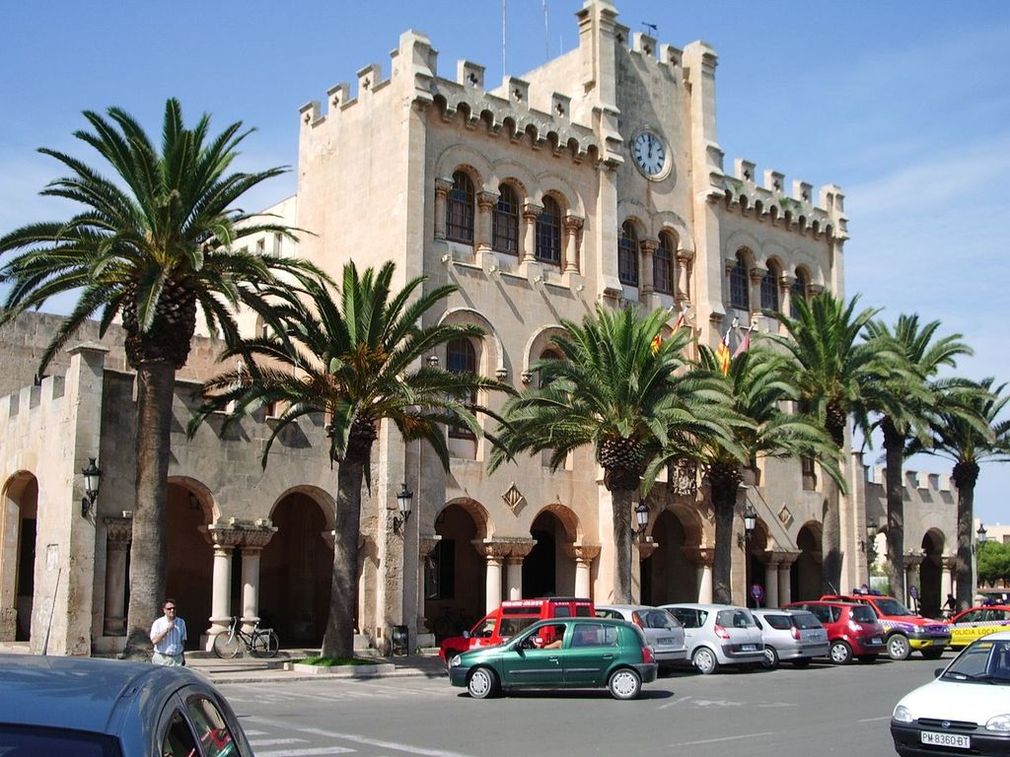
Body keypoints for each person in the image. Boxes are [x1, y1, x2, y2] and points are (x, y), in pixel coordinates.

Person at [150, 599, 187, 666]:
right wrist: (167, 629)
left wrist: (183, 657)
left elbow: (182, 641)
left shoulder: (181, 622)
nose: (172, 610)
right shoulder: (158, 623)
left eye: (174, 608)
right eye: (169, 609)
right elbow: (154, 641)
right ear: (164, 610)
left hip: (177, 659)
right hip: (161, 658)